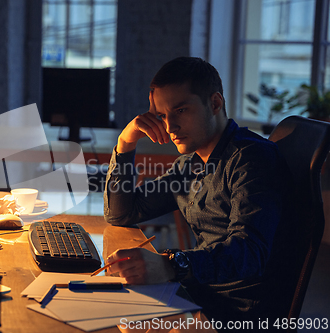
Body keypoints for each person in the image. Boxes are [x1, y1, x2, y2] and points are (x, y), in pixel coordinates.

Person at [103, 57, 296, 329]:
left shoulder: (251, 158)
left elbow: (249, 252)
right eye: (161, 116)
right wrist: (126, 141)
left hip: (234, 316)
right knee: (103, 308)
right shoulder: (191, 165)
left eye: (180, 110)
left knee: (113, 324)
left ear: (215, 103)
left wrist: (171, 265)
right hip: (199, 296)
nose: (169, 127)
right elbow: (122, 213)